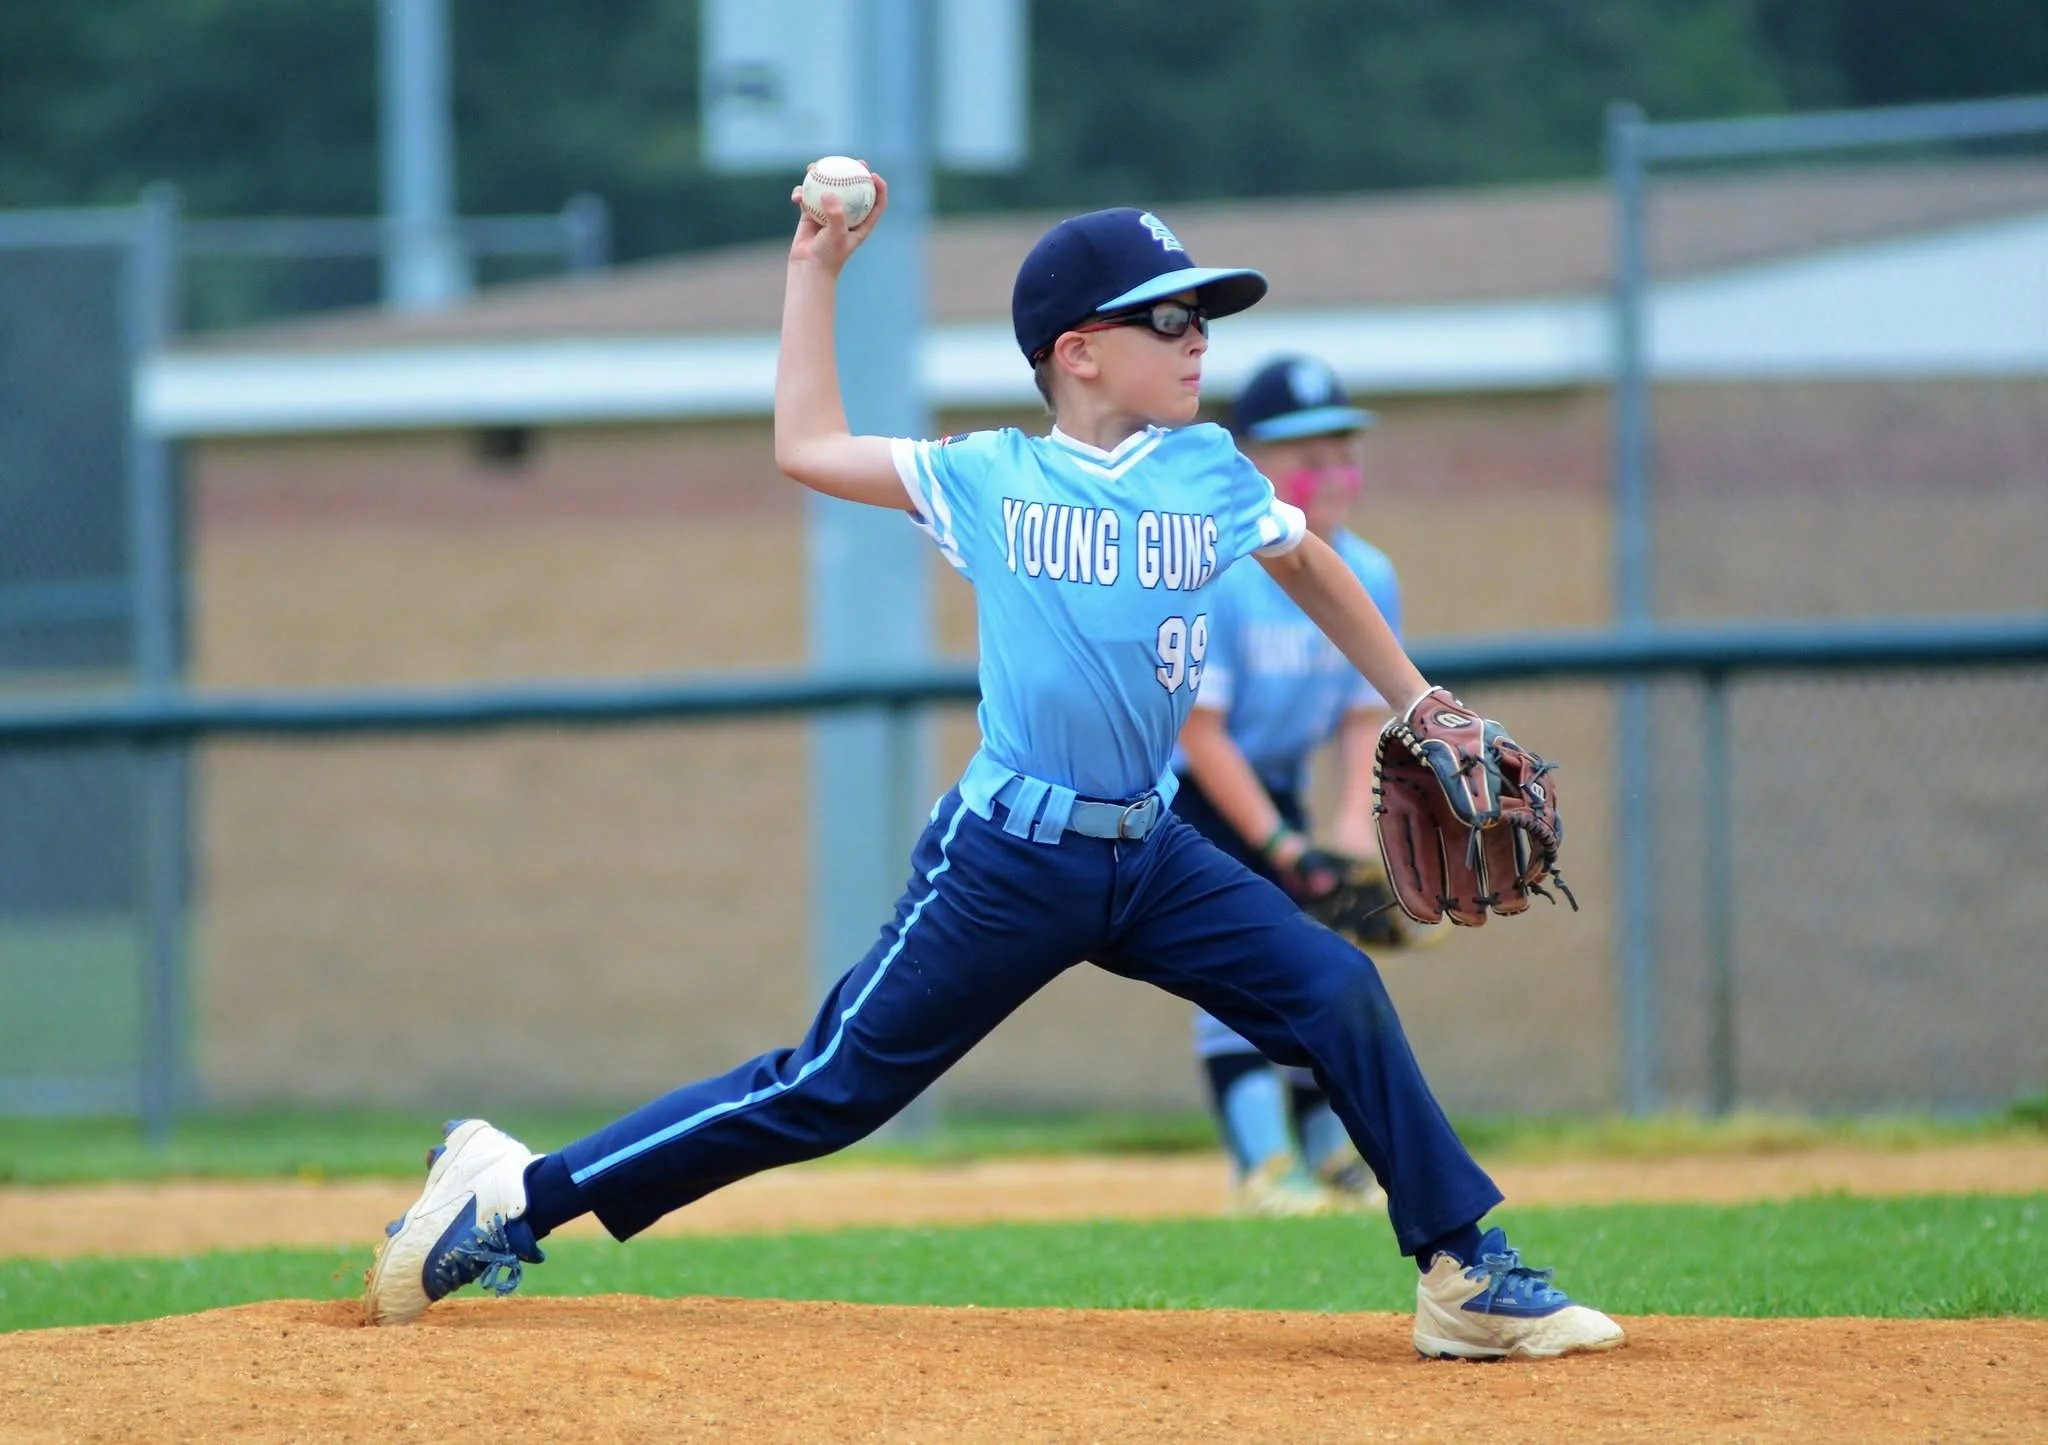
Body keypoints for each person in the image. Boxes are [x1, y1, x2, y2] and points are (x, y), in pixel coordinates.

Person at [364, 181, 1625, 1362]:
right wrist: (815, 267)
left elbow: (1304, 561)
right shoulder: (988, 477)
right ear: (1078, 351)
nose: (1198, 337)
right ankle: (515, 1194)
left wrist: (1415, 699)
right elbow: (806, 442)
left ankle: (1460, 1272)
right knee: (828, 1089)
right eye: (1167, 317)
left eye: (1203, 316)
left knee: (1336, 987)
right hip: (1009, 858)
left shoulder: (1209, 468)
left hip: (1152, 851)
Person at [1175, 355, 1404, 1218]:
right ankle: (1261, 1163)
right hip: (1188, 789)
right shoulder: (1224, 569)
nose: (1332, 469)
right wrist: (1278, 846)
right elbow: (1198, 732)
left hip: (1277, 787)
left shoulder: (1368, 573)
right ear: (1251, 462)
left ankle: (1326, 1151)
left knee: (1319, 956)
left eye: (1343, 449)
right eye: (1307, 453)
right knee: (1236, 959)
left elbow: (1361, 717)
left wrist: (1346, 831)